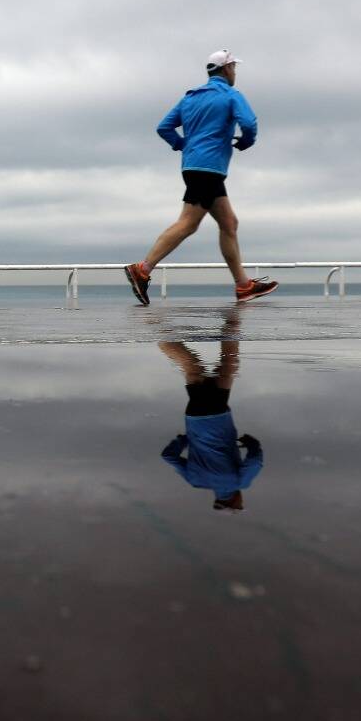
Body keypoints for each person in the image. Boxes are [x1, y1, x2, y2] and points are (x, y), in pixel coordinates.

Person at [124, 49, 276, 305]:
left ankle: (243, 286)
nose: (235, 72)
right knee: (188, 223)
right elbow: (248, 124)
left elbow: (164, 127)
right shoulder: (230, 95)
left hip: (194, 166)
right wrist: (245, 142)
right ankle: (142, 269)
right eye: (234, 68)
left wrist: (183, 144)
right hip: (209, 168)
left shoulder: (190, 99)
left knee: (229, 224)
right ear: (226, 69)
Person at [156, 332, 263, 511]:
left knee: (195, 367)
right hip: (194, 418)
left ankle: (159, 333)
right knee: (223, 369)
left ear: (234, 501)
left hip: (217, 417)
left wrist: (252, 443)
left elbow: (255, 462)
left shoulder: (238, 482)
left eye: (240, 504)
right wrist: (186, 439)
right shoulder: (195, 480)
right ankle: (230, 325)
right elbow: (168, 456)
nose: (242, 500)